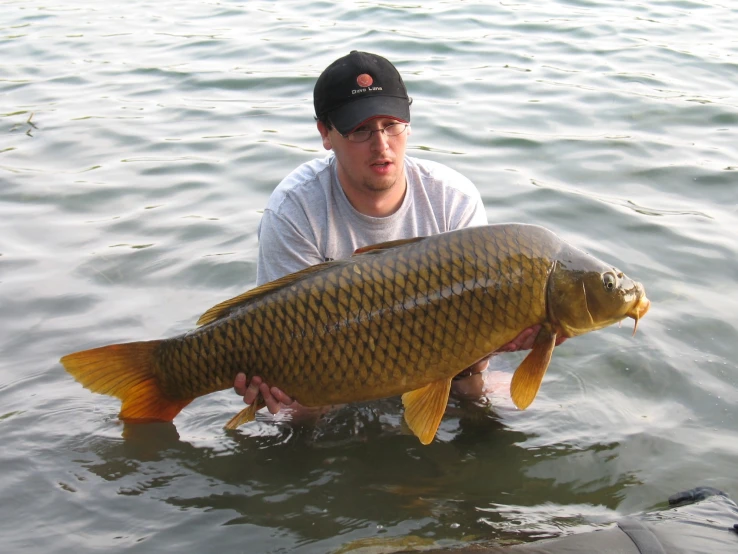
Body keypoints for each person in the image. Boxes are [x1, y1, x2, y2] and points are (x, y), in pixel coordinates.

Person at [233, 51, 558, 417]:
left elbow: (470, 341)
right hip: (330, 373)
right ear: (326, 133)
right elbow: (273, 329)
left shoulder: (452, 199)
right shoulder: (295, 210)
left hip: (440, 367)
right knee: (302, 413)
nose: (381, 144)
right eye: (360, 130)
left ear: (409, 123)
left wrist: (504, 338)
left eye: (391, 125)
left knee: (480, 397)